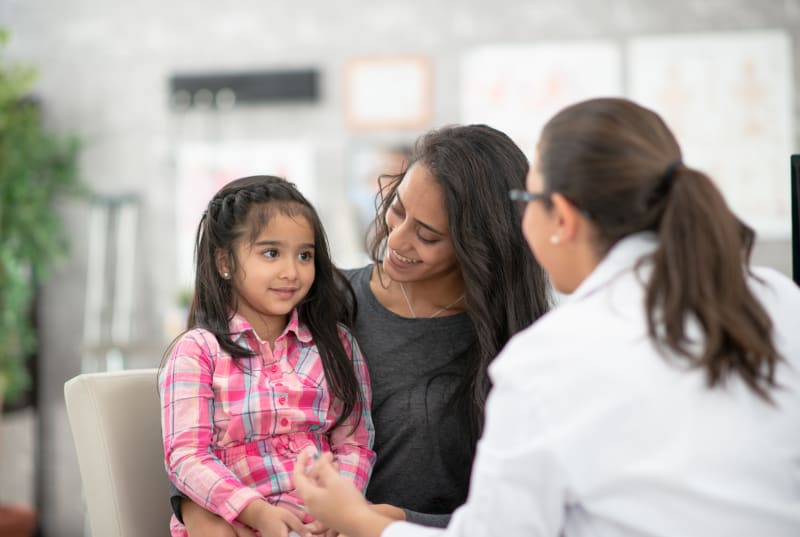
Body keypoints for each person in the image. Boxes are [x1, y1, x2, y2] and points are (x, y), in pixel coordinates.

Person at [293, 97, 800, 537]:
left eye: (527, 200)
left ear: (562, 218)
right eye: (397, 211)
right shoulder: (779, 299)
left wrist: (362, 520)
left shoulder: (546, 353)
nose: (399, 239)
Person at [175, 124, 553, 536]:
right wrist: (204, 515)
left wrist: (392, 522)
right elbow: (204, 425)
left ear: (478, 246)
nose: (397, 238)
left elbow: (519, 515)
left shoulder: (514, 347)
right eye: (399, 208)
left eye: (426, 234)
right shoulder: (315, 298)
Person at [159, 175, 375, 537]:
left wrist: (343, 508)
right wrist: (254, 511)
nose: (291, 272)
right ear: (225, 261)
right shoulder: (197, 351)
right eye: (271, 253)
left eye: (304, 255)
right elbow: (186, 456)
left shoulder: (337, 345)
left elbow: (356, 443)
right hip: (234, 521)